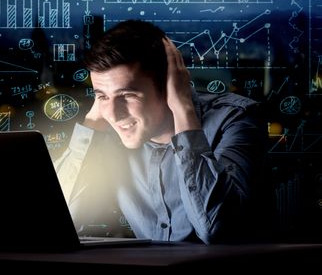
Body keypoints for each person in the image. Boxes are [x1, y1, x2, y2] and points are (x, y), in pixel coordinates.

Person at [54, 20, 271, 244]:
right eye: (102, 96)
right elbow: (63, 220)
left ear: (169, 85)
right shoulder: (109, 134)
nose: (113, 114)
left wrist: (183, 109)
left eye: (127, 95)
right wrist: (92, 122)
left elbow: (216, 230)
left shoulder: (236, 119)